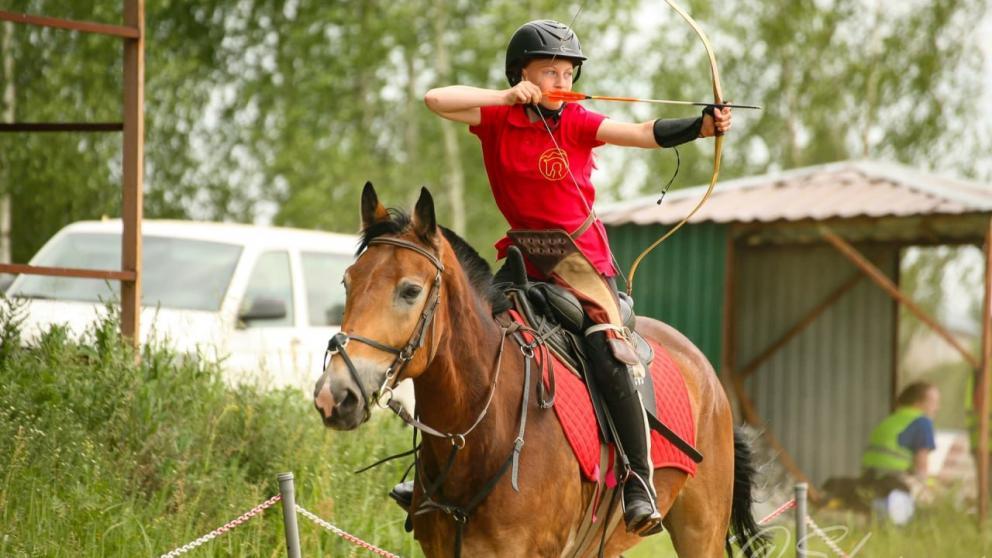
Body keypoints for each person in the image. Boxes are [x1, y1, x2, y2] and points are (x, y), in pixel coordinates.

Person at [393, 19, 732, 537]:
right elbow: (436, 98)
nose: (560, 80)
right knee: (463, 341)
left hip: (582, 265)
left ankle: (638, 479)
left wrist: (700, 127)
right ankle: (429, 477)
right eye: (548, 70)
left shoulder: (574, 120)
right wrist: (507, 97)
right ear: (520, 74)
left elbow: (641, 133)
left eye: (568, 71)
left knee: (604, 348)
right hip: (524, 260)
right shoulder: (497, 118)